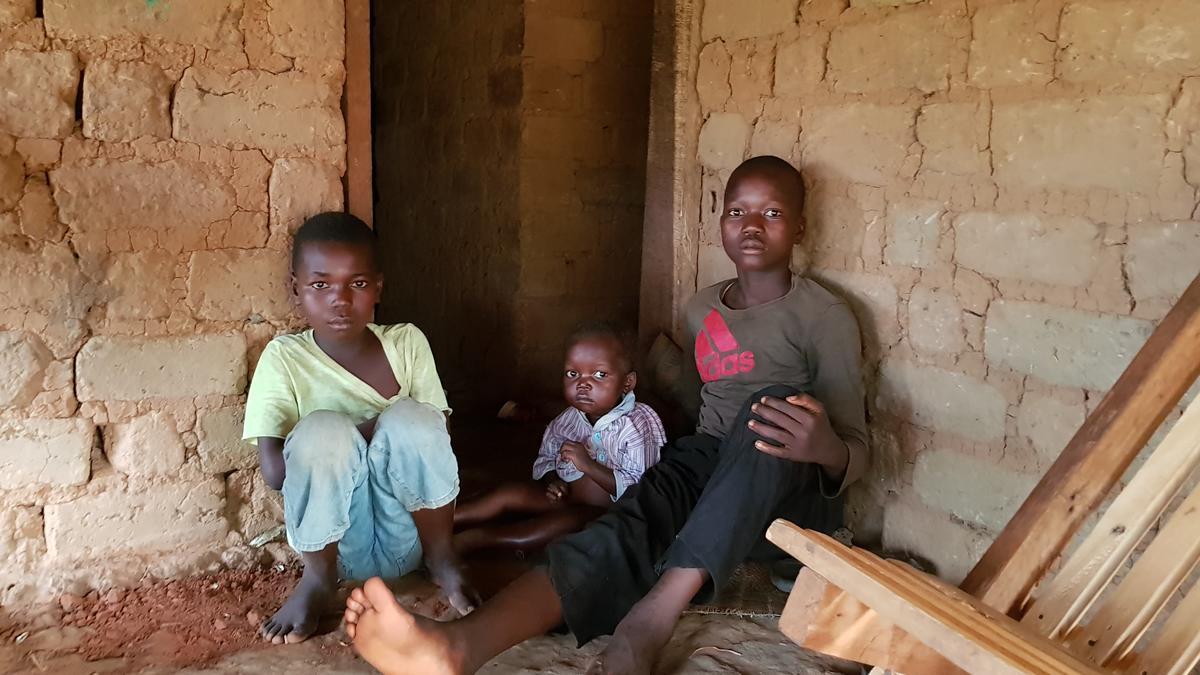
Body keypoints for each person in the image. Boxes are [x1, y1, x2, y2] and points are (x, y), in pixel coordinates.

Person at [342, 155, 869, 675]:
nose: (752, 226)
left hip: (783, 495)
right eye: (738, 212)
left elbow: (855, 448)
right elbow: (695, 405)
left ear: (800, 227)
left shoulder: (823, 317)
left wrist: (824, 448)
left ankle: (651, 620)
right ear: (720, 220)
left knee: (768, 407)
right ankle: (457, 648)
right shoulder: (701, 308)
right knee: (619, 529)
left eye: (772, 214)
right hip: (709, 465)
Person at [242, 211, 475, 645]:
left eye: (358, 284)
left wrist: (373, 434)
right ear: (296, 289)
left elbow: (434, 438)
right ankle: (316, 583)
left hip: (410, 539)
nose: (340, 299)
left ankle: (444, 559)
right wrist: (355, 437)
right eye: (320, 285)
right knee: (323, 431)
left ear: (378, 289)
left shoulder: (407, 343)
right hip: (335, 548)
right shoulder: (284, 358)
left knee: (412, 418)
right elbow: (275, 473)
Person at [453, 322, 666, 554]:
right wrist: (552, 480)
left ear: (627, 382)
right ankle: (447, 519)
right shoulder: (567, 420)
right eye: (573, 374)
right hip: (564, 497)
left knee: (563, 524)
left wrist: (587, 465)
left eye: (599, 374)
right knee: (508, 493)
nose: (583, 384)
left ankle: (477, 540)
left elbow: (638, 490)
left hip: (602, 512)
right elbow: (546, 458)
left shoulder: (635, 425)